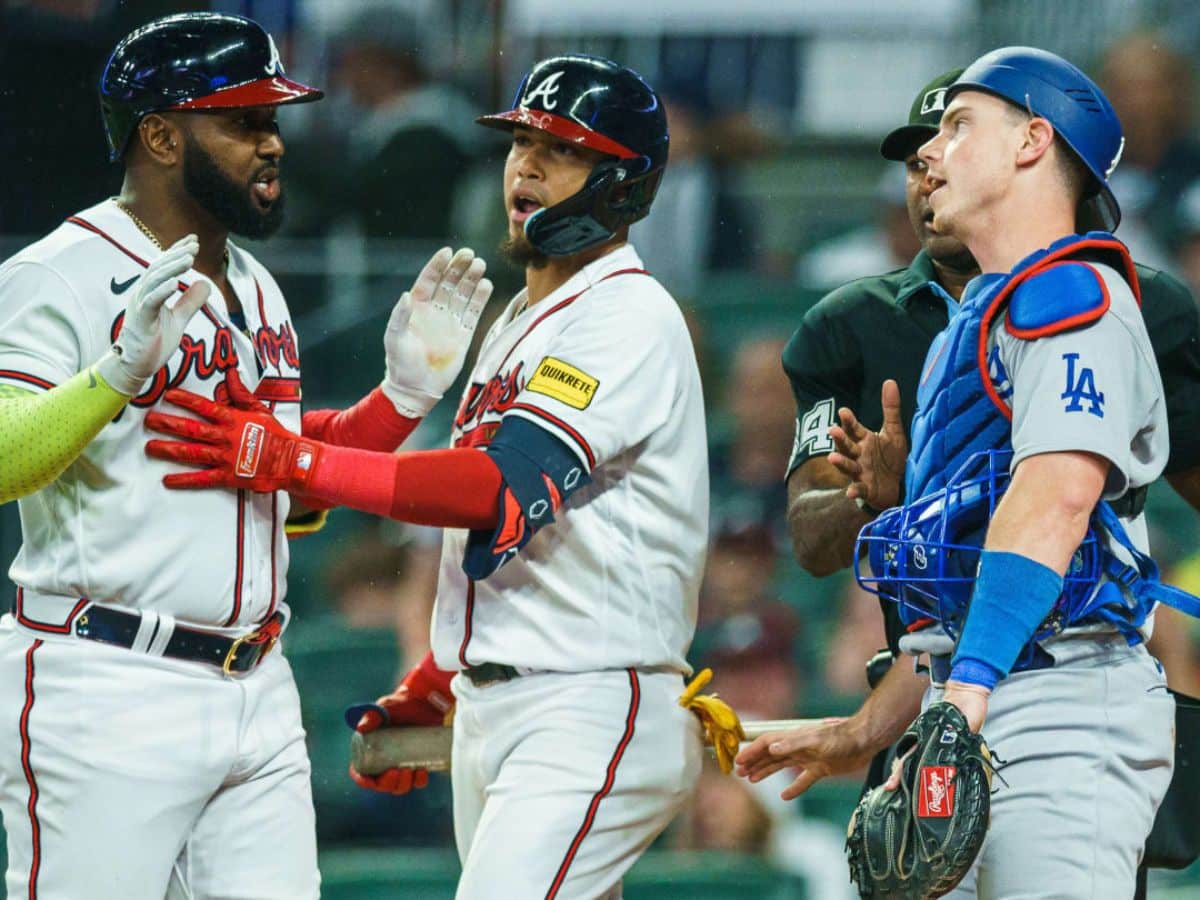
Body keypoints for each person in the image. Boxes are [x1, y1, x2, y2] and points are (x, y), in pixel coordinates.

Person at [144, 54, 709, 899]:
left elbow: (497, 487)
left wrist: (304, 461)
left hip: (592, 703)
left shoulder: (627, 313)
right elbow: (519, 539)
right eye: (521, 140)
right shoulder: (519, 318)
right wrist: (442, 674)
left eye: (561, 149)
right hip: (510, 702)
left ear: (622, 184)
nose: (525, 163)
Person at [0, 13, 492, 899]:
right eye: (243, 123)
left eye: (273, 123)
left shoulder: (259, 285)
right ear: (158, 134)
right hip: (106, 681)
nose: (272, 145)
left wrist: (398, 402)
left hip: (255, 683)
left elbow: (285, 491)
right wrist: (114, 375)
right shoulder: (57, 272)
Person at [743, 47, 1188, 896]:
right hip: (975, 697)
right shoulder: (975, 319)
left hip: (1060, 707)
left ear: (1032, 141)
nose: (930, 154)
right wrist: (869, 729)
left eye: (957, 126)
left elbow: (1055, 502)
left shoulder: (1075, 300)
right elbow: (962, 582)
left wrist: (968, 695)